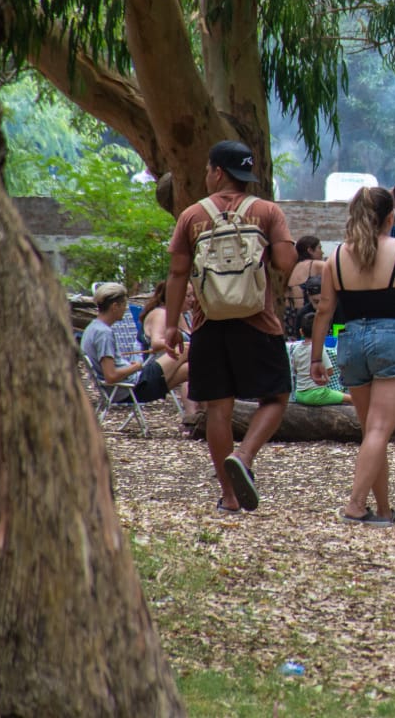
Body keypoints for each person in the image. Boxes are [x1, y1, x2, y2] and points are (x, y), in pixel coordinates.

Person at [162, 140, 298, 513]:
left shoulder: (192, 216)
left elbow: (177, 273)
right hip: (258, 322)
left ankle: (229, 495)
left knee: (218, 409)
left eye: (208, 169)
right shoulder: (267, 211)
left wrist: (172, 326)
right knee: (276, 397)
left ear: (217, 171)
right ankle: (246, 454)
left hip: (209, 324)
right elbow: (286, 263)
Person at [310, 187, 395, 526]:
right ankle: (355, 506)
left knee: (373, 433)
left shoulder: (337, 257)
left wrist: (316, 357)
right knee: (378, 431)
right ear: (392, 217)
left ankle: (384, 511)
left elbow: (324, 309)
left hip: (351, 342)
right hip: (394, 340)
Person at [82, 283, 172, 405]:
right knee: (184, 351)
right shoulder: (103, 334)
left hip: (127, 387)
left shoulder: (92, 328)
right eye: (124, 304)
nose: (126, 308)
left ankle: (195, 415)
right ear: (115, 306)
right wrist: (135, 367)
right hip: (131, 389)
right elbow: (111, 376)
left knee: (186, 369)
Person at [137, 284, 196, 421]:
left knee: (195, 370)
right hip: (153, 369)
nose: (192, 299)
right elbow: (156, 343)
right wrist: (179, 344)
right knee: (188, 349)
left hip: (178, 363)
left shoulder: (186, 316)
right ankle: (194, 416)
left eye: (193, 295)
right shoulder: (162, 314)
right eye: (188, 296)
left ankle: (196, 417)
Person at [284, 236, 327, 339]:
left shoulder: (295, 266)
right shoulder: (316, 264)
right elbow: (336, 271)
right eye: (319, 248)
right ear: (310, 250)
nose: (322, 252)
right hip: (305, 315)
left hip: (288, 313)